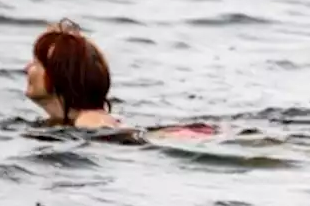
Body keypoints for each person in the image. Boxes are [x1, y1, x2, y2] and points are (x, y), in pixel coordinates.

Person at [23, 19, 214, 138]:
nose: (26, 68)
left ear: (59, 76)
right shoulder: (81, 120)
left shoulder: (89, 122)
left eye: (36, 63)